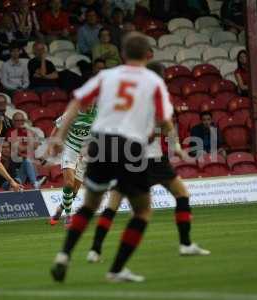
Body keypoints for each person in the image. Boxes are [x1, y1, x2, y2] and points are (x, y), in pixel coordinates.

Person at [48, 32, 174, 282]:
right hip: (130, 148)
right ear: (148, 55)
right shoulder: (152, 81)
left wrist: (57, 137)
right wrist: (173, 141)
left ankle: (64, 255)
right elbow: (163, 120)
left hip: (101, 147)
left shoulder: (106, 76)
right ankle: (116, 269)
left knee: (90, 203)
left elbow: (75, 103)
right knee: (142, 211)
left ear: (123, 55)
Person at [86, 61, 210, 263]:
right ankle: (186, 244)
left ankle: (95, 250)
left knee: (113, 205)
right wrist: (176, 146)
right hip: (153, 160)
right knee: (182, 194)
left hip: (128, 159)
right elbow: (163, 126)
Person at [49, 105, 97, 226]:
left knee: (74, 190)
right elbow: (57, 127)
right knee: (69, 183)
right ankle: (68, 216)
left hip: (85, 154)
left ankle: (60, 209)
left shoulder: (98, 113)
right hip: (70, 149)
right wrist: (51, 145)